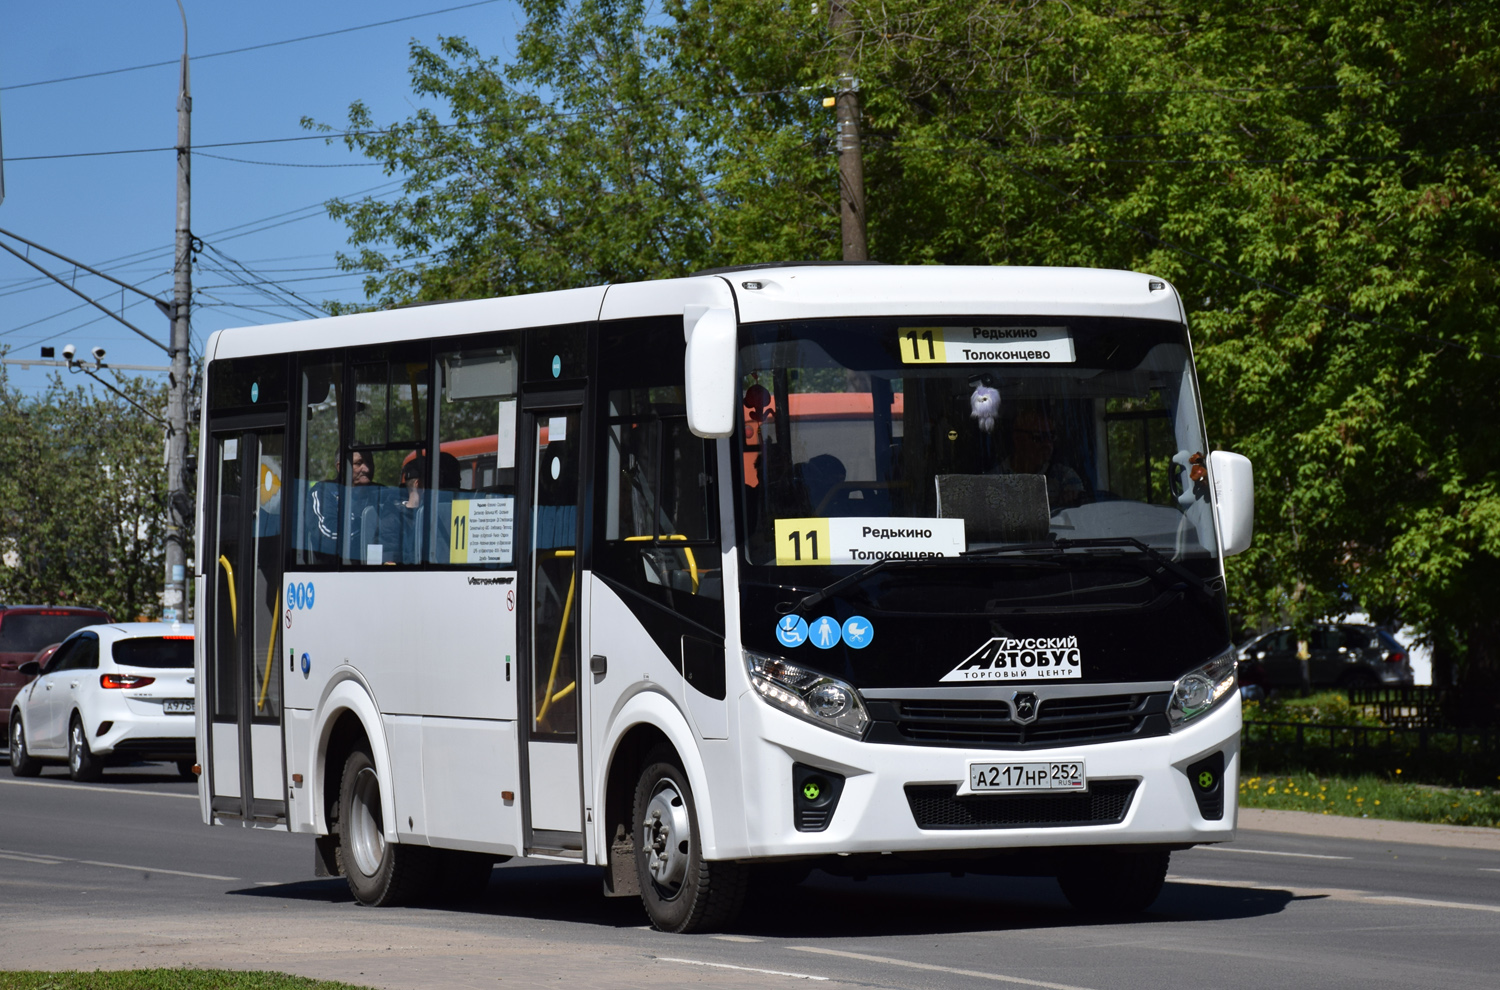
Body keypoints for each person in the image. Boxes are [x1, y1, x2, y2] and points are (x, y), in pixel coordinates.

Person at [992, 406, 1086, 509]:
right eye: (1039, 436)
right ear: (1017, 439)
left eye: (1051, 436)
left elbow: (1080, 513)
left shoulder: (1065, 477)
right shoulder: (994, 480)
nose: (1047, 444)